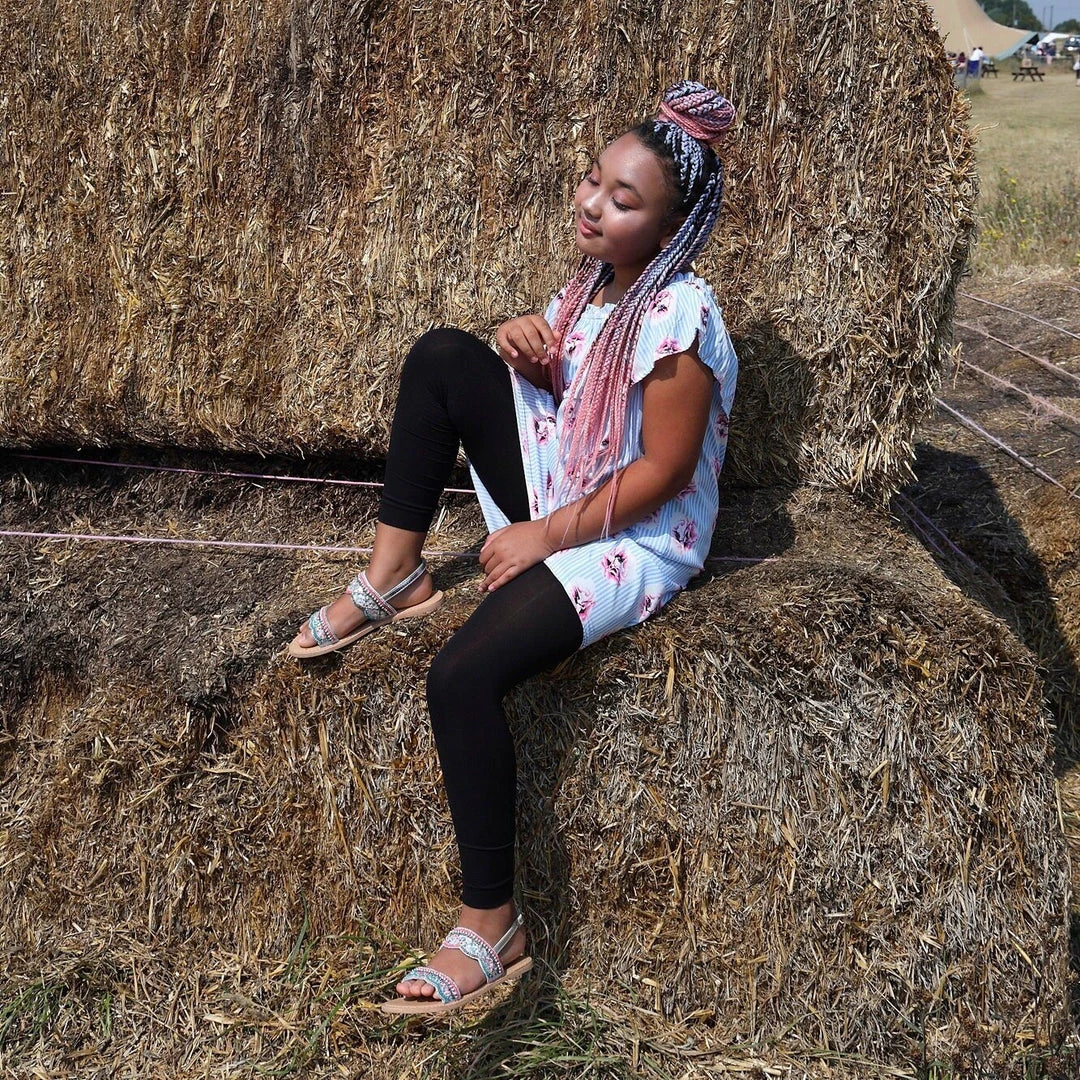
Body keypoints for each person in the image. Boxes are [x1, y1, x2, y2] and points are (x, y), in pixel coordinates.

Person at [288, 81, 740, 1014]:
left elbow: (662, 471)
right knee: (444, 358)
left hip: (637, 533)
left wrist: (542, 537)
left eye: (624, 200)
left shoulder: (681, 318)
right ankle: (394, 575)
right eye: (592, 180)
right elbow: (584, 404)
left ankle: (492, 923)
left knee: (462, 676)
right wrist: (533, 357)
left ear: (670, 228)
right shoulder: (594, 286)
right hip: (574, 480)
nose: (593, 204)